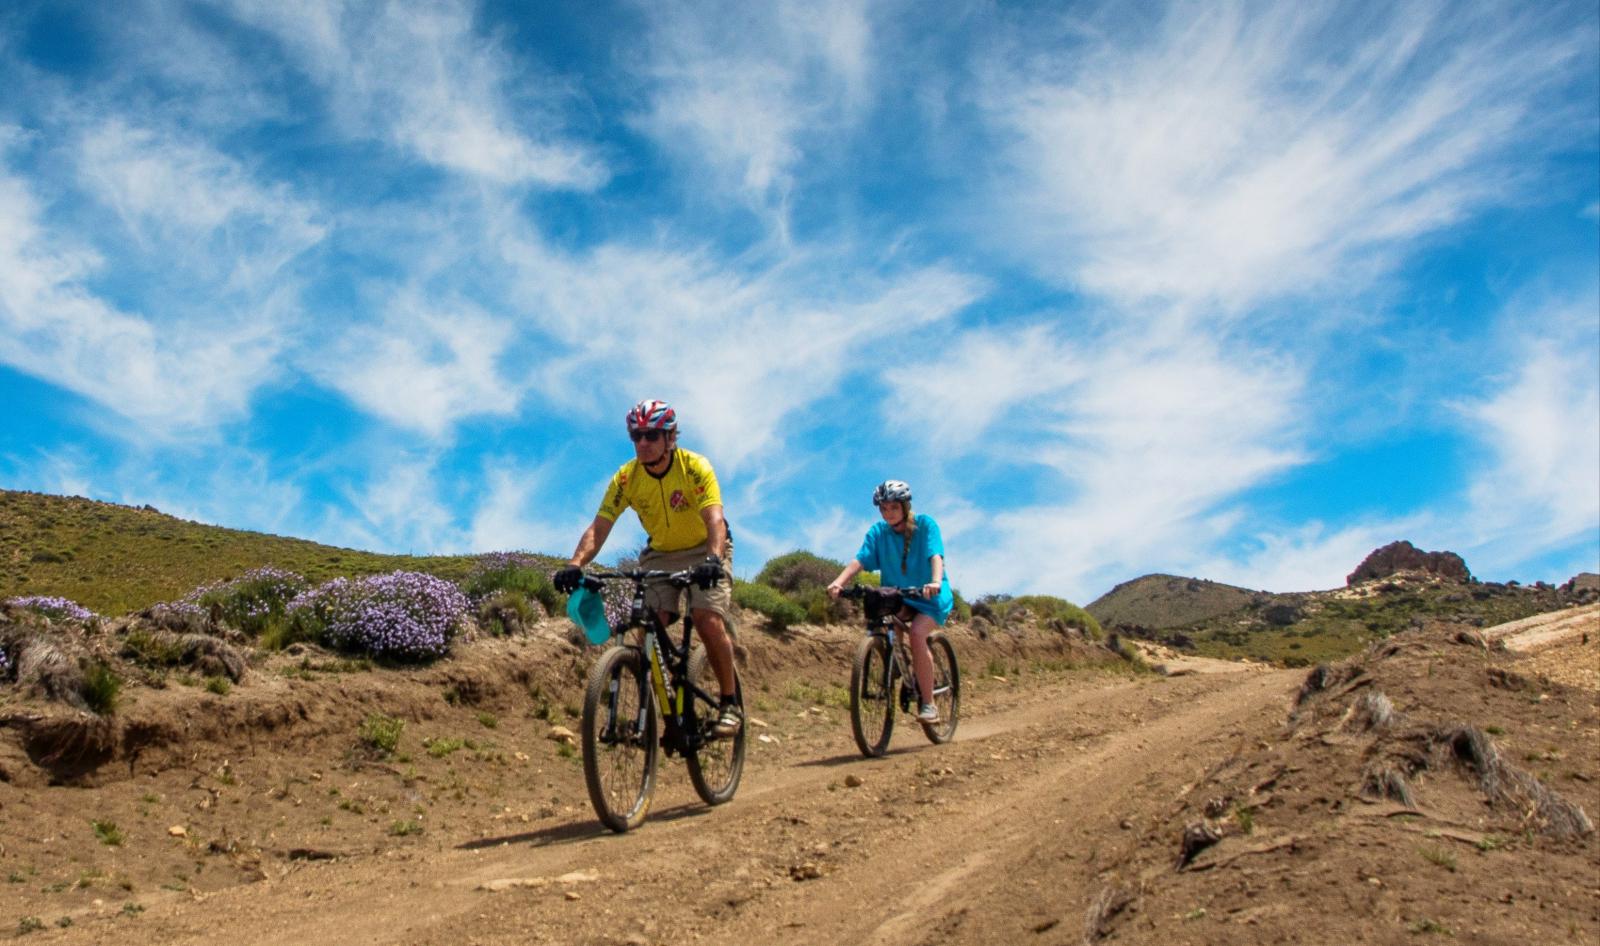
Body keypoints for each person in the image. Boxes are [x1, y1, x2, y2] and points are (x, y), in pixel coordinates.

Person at [553, 399, 742, 736]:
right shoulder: (627, 478)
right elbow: (599, 527)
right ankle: (660, 710)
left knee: (706, 619)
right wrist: (575, 563)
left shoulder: (695, 467)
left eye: (652, 435)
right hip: (661, 554)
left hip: (705, 549)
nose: (643, 443)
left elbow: (715, 519)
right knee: (646, 632)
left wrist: (713, 559)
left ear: (670, 438)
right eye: (636, 436)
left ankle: (730, 704)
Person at [827, 479, 954, 723]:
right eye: (883, 508)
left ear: (905, 506)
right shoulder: (878, 533)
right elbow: (860, 560)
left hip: (929, 597)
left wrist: (935, 582)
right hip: (899, 596)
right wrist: (838, 582)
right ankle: (899, 663)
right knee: (886, 623)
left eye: (893, 508)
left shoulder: (925, 525)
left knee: (917, 634)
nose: (888, 514)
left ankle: (929, 704)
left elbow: (935, 555)